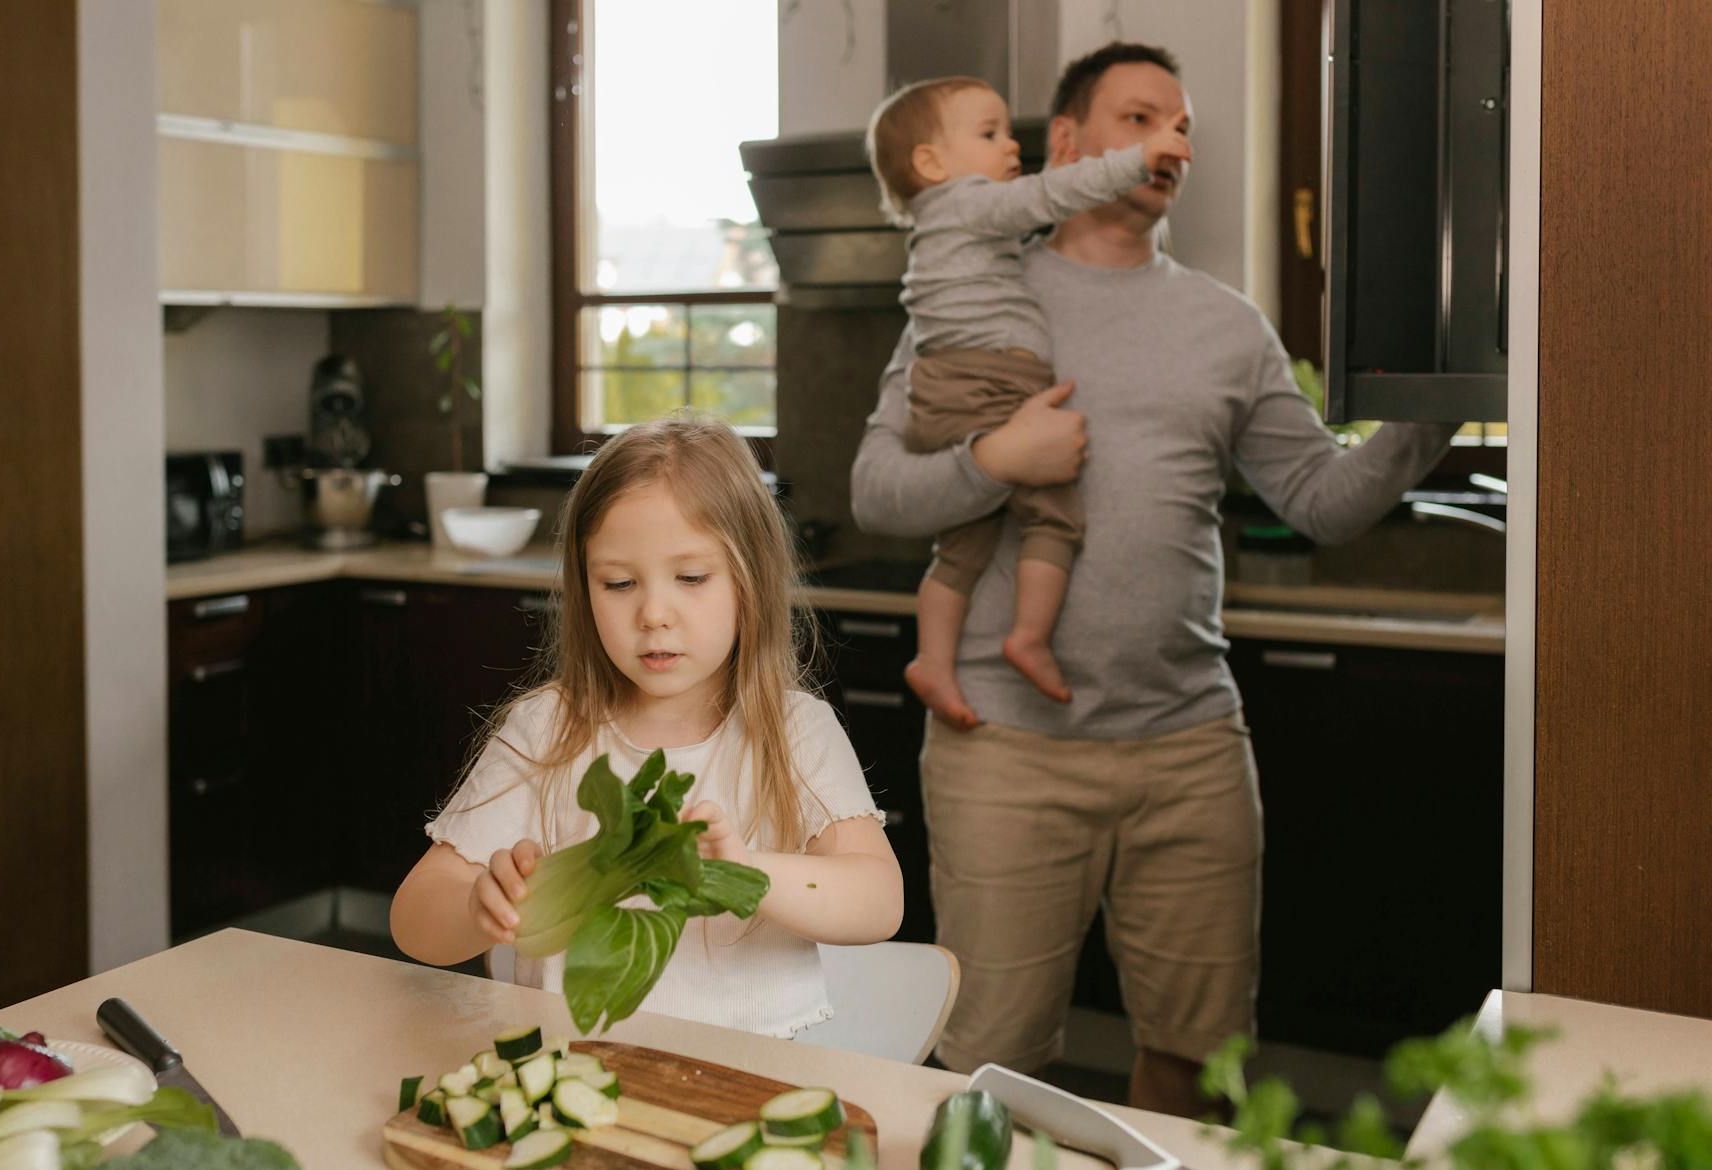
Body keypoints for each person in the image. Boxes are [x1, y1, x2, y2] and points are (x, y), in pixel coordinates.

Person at [850, 43, 1457, 1115]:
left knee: (1199, 1064)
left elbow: (1319, 499)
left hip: (1189, 748)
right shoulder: (980, 288)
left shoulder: (1226, 326)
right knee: (985, 1065)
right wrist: (994, 461)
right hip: (1005, 750)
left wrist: (1432, 406)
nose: (1169, 144)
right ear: (1068, 147)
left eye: (1181, 127)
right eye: (1140, 119)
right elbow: (875, 493)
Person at [391, 418, 905, 1037]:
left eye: (691, 579)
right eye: (619, 583)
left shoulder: (794, 732)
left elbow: (879, 901)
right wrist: (478, 907)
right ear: (584, 588)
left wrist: (746, 872)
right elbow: (414, 919)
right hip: (576, 1068)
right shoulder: (548, 729)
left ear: (751, 581)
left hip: (756, 1076)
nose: (654, 614)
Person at [864, 75, 1191, 729]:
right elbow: (1053, 192)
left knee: (962, 545)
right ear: (931, 163)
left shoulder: (949, 224)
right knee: (1055, 516)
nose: (1012, 145)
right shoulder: (971, 202)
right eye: (989, 134)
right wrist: (1138, 157)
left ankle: (933, 658)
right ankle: (1030, 637)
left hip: (949, 386)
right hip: (986, 382)